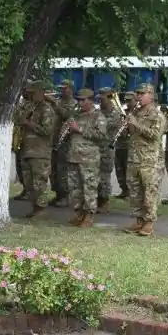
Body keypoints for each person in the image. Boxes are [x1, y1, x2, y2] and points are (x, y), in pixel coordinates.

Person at [122, 83, 166, 237]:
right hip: (134, 158)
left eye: (142, 93)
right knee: (135, 191)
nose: (139, 96)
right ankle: (138, 220)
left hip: (149, 160)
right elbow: (132, 133)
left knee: (149, 191)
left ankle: (149, 222)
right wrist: (128, 125)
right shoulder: (136, 112)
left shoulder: (157, 115)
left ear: (151, 95)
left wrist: (136, 124)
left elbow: (155, 135)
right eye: (138, 93)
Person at [65, 88, 108, 227]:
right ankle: (79, 213)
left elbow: (101, 136)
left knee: (89, 187)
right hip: (74, 156)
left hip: (89, 158)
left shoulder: (98, 116)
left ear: (91, 100)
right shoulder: (77, 115)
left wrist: (79, 129)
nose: (80, 103)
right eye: (79, 100)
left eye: (83, 100)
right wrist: (67, 130)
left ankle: (89, 214)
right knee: (75, 187)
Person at [17, 82, 59, 218]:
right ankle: (34, 207)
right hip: (26, 150)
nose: (30, 96)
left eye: (33, 93)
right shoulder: (29, 107)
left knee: (39, 183)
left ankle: (41, 209)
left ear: (41, 93)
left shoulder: (47, 110)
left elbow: (47, 131)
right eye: (29, 93)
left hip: (40, 152)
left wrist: (28, 123)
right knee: (28, 183)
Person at [97, 88, 122, 213]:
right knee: (95, 176)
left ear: (109, 98)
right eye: (99, 99)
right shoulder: (99, 112)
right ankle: (97, 200)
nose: (100, 101)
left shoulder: (115, 113)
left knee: (104, 177)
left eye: (102, 99)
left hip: (107, 149)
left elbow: (103, 125)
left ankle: (104, 201)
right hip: (96, 148)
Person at [50, 79, 75, 206]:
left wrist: (55, 104)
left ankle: (65, 196)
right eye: (61, 88)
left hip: (65, 142)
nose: (62, 90)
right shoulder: (58, 101)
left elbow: (68, 115)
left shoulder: (74, 104)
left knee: (62, 170)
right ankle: (58, 194)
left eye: (65, 88)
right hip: (54, 140)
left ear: (71, 89)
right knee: (53, 170)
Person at [114, 91, 136, 199]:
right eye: (126, 100)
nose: (127, 103)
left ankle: (130, 191)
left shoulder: (137, 113)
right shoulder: (123, 112)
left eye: (130, 100)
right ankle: (124, 190)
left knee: (129, 170)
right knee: (119, 169)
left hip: (130, 145)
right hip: (119, 144)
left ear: (135, 100)